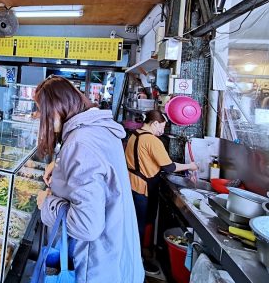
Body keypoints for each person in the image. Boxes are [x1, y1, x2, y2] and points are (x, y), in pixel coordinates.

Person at [35, 76, 144, 283]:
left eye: (43, 111)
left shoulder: (81, 144)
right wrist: (59, 166)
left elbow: (87, 225)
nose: (40, 117)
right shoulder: (98, 129)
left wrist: (46, 204)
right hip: (118, 253)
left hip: (97, 266)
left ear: (58, 108)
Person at [125, 110, 198, 256]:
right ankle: (136, 259)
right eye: (162, 127)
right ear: (155, 123)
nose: (162, 131)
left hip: (131, 184)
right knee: (139, 225)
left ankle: (133, 256)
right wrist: (191, 166)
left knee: (132, 223)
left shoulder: (135, 134)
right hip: (142, 188)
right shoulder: (152, 140)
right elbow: (169, 167)